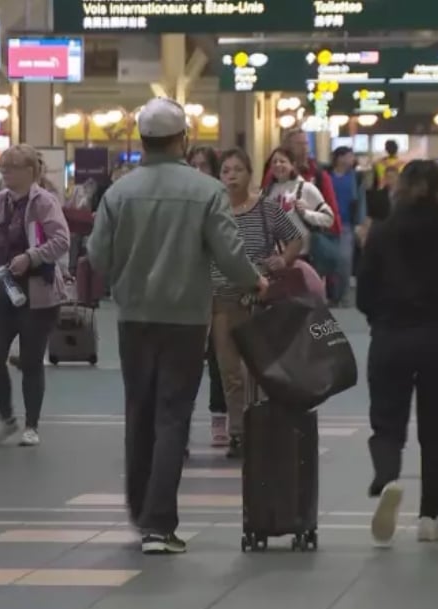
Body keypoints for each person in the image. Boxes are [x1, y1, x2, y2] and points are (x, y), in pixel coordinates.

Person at [88, 97, 267, 555]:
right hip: (186, 319)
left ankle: (139, 507)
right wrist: (256, 281)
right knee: (172, 415)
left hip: (132, 318)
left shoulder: (118, 193)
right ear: (182, 139)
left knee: (140, 411)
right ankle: (158, 524)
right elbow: (229, 254)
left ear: (142, 140)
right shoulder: (206, 191)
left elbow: (97, 257)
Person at [356, 159, 438, 546]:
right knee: (437, 429)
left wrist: (381, 315)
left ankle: (389, 476)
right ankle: (429, 518)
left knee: (387, 419)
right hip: (435, 339)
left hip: (391, 337)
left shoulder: (381, 233)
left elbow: (363, 295)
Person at [0, 144, 69, 447]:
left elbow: (62, 239)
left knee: (30, 361)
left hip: (34, 295)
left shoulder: (44, 203)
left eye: (11, 168)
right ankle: (6, 417)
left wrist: (32, 256)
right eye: (3, 168)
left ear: (29, 172)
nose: (5, 174)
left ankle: (32, 424)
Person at [212, 148, 303, 459]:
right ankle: (237, 431)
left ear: (250, 174)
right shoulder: (214, 211)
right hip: (222, 299)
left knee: (259, 369)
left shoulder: (265, 208)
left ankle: (265, 427)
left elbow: (295, 237)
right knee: (229, 370)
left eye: (238, 169)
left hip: (260, 298)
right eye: (226, 170)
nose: (232, 175)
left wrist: (282, 260)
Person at [186, 145, 227, 446]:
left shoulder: (219, 201)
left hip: (219, 290)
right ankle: (180, 428)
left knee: (218, 359)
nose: (199, 171)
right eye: (194, 165)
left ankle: (219, 419)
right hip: (185, 292)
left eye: (205, 165)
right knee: (183, 365)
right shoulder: (181, 201)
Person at [264, 147, 336, 263]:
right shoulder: (266, 193)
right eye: (274, 162)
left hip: (303, 257)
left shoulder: (306, 188)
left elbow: (329, 219)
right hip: (274, 259)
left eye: (282, 161)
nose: (278, 165)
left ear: (292, 164)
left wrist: (306, 213)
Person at [329, 146, 365, 306]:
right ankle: (332, 295)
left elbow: (361, 202)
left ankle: (343, 295)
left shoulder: (356, 177)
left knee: (344, 260)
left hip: (346, 224)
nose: (352, 159)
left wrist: (360, 223)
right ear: (339, 158)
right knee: (330, 260)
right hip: (327, 224)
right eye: (349, 156)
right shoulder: (326, 176)